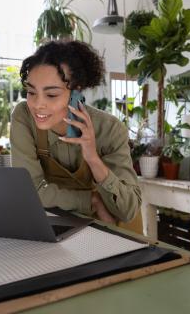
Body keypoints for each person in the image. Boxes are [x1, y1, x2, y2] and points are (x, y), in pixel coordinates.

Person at [10, 40, 141, 227]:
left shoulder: (110, 130)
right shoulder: (24, 117)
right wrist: (91, 200)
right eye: (31, 92)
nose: (38, 104)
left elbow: (128, 210)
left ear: (76, 92)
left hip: (115, 230)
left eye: (51, 95)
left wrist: (93, 158)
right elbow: (27, 193)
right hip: (63, 229)